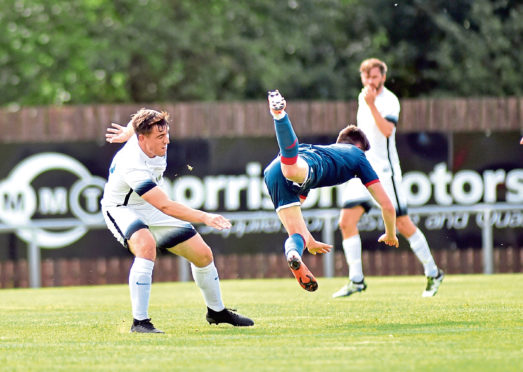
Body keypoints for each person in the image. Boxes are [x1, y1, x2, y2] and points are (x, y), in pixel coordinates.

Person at [101, 108, 254, 333]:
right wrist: (205, 217)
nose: (167, 140)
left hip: (148, 205)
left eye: (167, 134)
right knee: (146, 245)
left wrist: (129, 129)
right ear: (142, 139)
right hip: (121, 207)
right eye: (160, 137)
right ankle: (140, 323)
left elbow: (145, 114)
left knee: (202, 254)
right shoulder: (131, 162)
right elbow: (165, 205)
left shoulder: (145, 136)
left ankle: (216, 312)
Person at [264, 90, 399, 292]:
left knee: (296, 233)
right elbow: (387, 205)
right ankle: (280, 115)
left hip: (272, 171)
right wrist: (390, 233)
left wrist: (309, 239)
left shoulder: (324, 149)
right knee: (291, 168)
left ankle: (293, 254)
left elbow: (297, 208)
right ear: (359, 145)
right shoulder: (357, 155)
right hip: (297, 164)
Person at [333, 58, 444, 299]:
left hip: (385, 171)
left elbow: (387, 130)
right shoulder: (363, 96)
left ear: (383, 76)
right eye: (366, 77)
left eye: (374, 77)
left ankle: (433, 272)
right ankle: (356, 280)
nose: (370, 81)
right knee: (346, 221)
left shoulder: (388, 100)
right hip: (361, 167)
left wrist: (372, 105)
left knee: (402, 224)